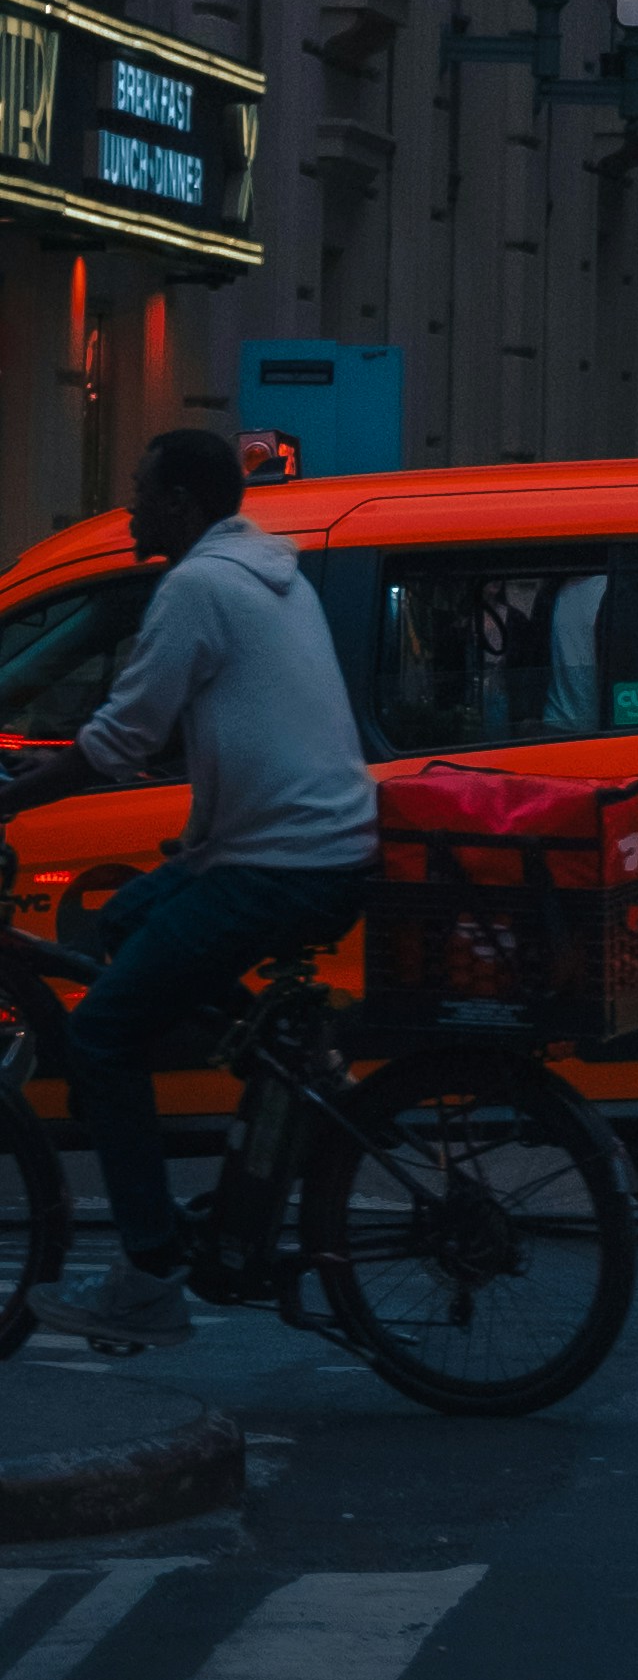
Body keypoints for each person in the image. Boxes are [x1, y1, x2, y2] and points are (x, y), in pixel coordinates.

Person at [2, 429, 379, 1346]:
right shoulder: (268, 575)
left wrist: (11, 798)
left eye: (138, 492)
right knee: (127, 919)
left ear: (179, 504)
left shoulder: (198, 587)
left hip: (275, 865)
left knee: (100, 1034)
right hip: (302, 849)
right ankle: (270, 1074)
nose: (130, 509)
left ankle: (149, 1275)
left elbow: (118, 740)